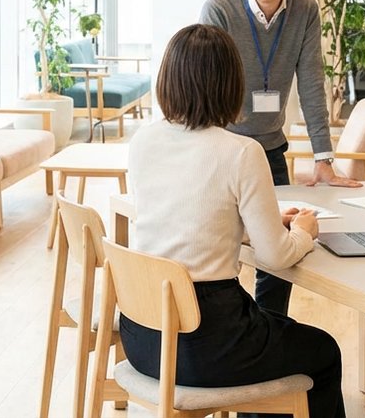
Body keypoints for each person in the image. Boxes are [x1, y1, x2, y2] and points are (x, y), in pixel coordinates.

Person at [121, 23, 346, 418]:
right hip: (205, 343)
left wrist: (251, 222)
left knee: (273, 331)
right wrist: (303, 232)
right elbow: (276, 257)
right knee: (323, 351)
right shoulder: (242, 151)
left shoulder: (142, 141)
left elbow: (183, 218)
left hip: (143, 337)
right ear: (230, 84)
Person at [199, 0, 357, 321]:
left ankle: (271, 328)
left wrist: (323, 159)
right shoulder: (220, 10)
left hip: (269, 147)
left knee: (279, 247)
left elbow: (312, 84)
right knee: (221, 240)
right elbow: (208, 83)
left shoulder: (304, 11)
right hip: (221, 149)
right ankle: (229, 324)